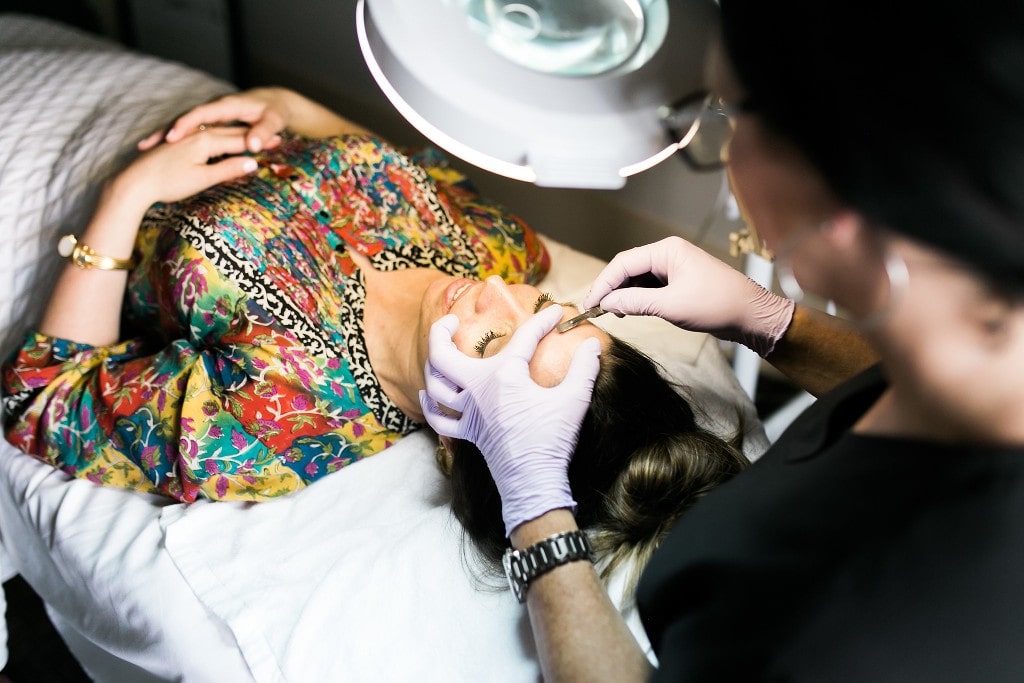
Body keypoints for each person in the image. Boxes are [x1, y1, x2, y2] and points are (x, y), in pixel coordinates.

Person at [420, 0, 1024, 680]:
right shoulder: (983, 347)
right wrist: (773, 322)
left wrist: (535, 514)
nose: (727, 151)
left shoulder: (844, 638)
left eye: (730, 119)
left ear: (836, 209)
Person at [0, 85, 749, 586]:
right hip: (159, 89)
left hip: (40, 160)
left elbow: (43, 394)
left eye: (491, 346)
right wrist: (285, 106)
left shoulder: (276, 418)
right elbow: (406, 166)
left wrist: (126, 198)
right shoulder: (509, 254)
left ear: (456, 439)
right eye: (553, 314)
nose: (493, 294)